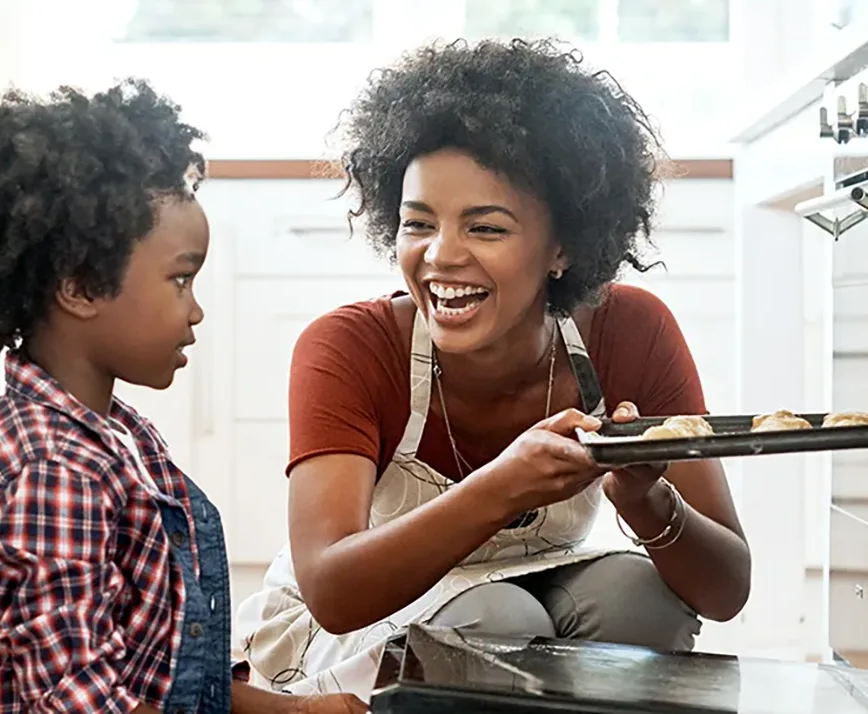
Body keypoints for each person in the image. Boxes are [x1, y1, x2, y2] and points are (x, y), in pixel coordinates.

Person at [236, 38, 752, 703]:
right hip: (354, 631)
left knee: (637, 597)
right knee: (496, 620)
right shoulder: (349, 346)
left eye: (485, 228)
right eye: (418, 223)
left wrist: (646, 501)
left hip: (539, 586)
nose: (439, 257)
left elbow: (726, 590)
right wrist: (500, 486)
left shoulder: (632, 330)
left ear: (563, 245)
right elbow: (333, 592)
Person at [0, 79, 365, 714]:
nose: (196, 310)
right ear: (81, 288)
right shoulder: (53, 473)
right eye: (180, 279)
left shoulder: (114, 434)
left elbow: (152, 673)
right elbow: (85, 703)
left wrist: (298, 710)